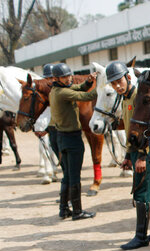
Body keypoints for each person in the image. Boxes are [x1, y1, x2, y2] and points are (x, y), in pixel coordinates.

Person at [106, 61, 150, 250]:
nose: (117, 86)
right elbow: (130, 131)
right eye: (113, 83)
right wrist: (127, 155)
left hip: (146, 150)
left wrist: (141, 155)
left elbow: (149, 130)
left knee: (141, 190)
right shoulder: (124, 98)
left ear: (128, 77)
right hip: (136, 150)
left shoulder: (137, 97)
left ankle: (141, 237)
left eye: (119, 81)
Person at [49, 63, 97, 220]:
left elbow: (80, 88)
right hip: (72, 139)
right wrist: (103, 88)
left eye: (69, 75)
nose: (68, 78)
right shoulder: (63, 93)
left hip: (62, 137)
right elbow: (87, 96)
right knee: (75, 176)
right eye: (65, 76)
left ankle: (64, 209)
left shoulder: (56, 90)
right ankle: (77, 211)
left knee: (67, 176)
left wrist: (89, 82)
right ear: (56, 78)